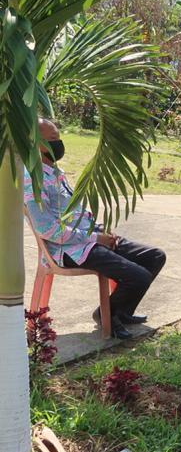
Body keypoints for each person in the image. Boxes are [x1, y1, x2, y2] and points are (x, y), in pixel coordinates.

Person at [23, 119, 166, 340]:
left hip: (88, 239)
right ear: (35, 143)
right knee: (139, 277)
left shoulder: (55, 171)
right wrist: (96, 238)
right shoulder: (33, 180)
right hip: (68, 250)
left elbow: (75, 212)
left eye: (59, 137)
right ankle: (106, 315)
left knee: (155, 257)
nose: (59, 144)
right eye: (53, 140)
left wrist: (100, 230)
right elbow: (48, 230)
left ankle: (120, 312)